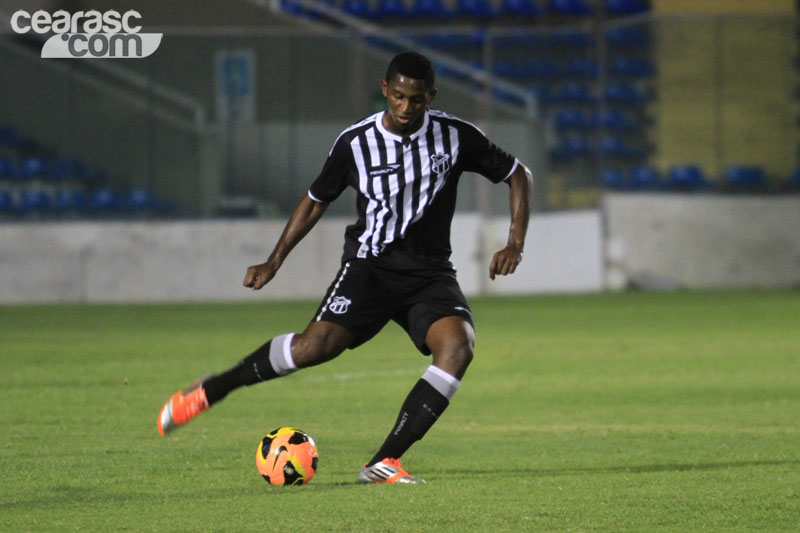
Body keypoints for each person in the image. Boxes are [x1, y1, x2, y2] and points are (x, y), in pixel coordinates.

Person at [157, 51, 532, 485]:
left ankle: (384, 462)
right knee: (312, 349)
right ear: (384, 89)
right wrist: (275, 259)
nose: (406, 108)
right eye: (398, 96)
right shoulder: (356, 142)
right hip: (370, 266)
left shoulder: (456, 136)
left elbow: (517, 174)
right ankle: (209, 390)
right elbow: (317, 199)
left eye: (416, 99)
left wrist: (515, 243)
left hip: (429, 273)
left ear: (432, 97)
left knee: (458, 347)